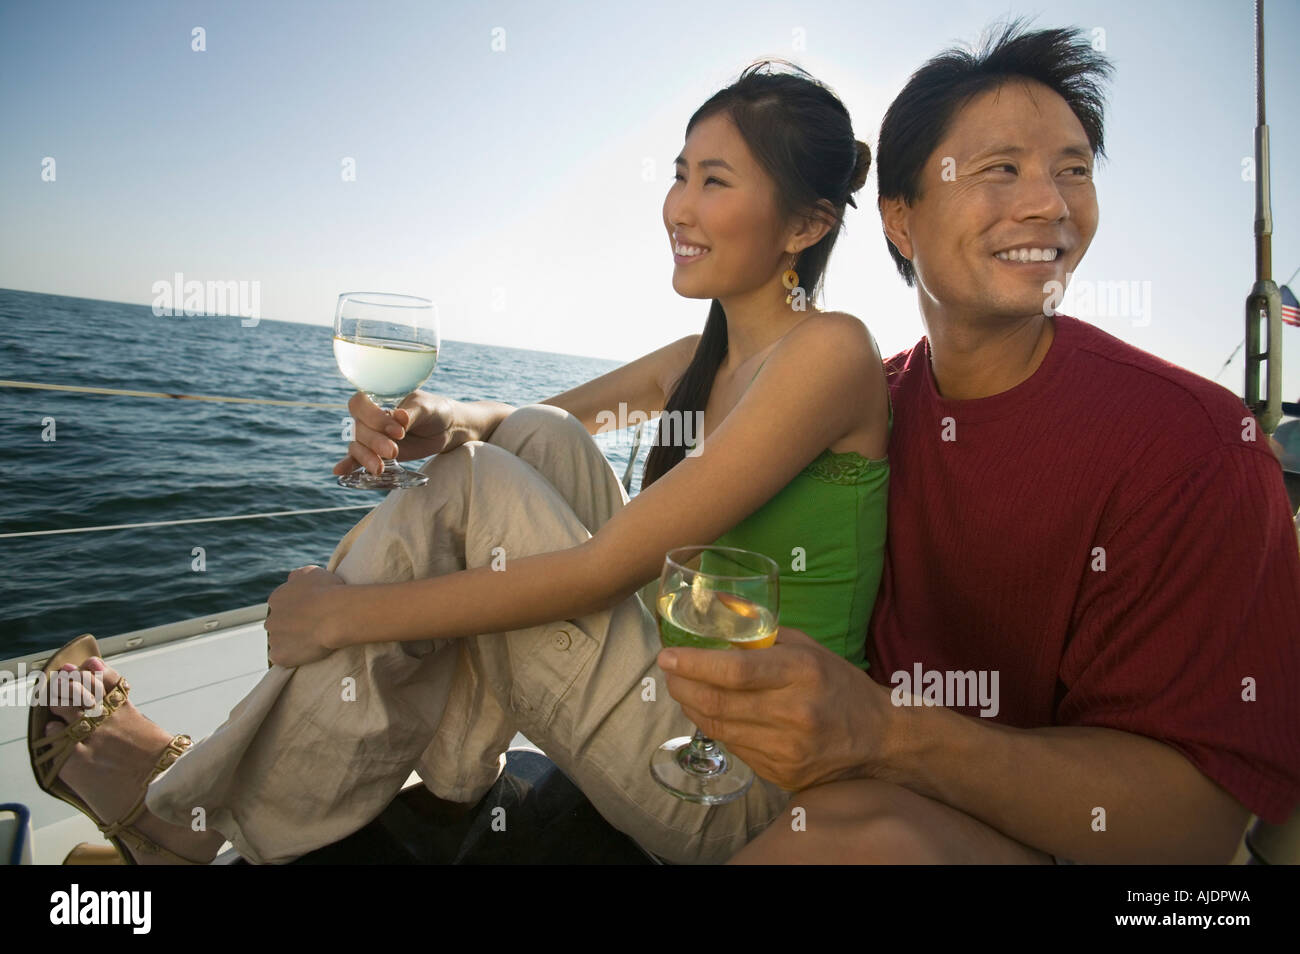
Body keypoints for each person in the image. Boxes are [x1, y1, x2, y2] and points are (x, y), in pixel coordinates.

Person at [29, 61, 891, 864]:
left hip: (740, 773)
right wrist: (438, 421)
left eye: (716, 180)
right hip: (676, 682)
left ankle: (187, 817)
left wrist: (340, 618)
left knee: (482, 489)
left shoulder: (829, 353)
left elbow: (600, 573)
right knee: (540, 439)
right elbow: (536, 420)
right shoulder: (696, 359)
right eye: (679, 172)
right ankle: (434, 792)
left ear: (807, 225)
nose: (679, 206)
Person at [664, 20, 1300, 864]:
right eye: (1000, 168)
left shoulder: (1197, 445)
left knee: (868, 844)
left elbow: (1194, 827)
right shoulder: (870, 402)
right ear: (899, 220)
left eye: (1073, 170)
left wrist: (888, 735)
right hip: (831, 791)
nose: (1051, 202)